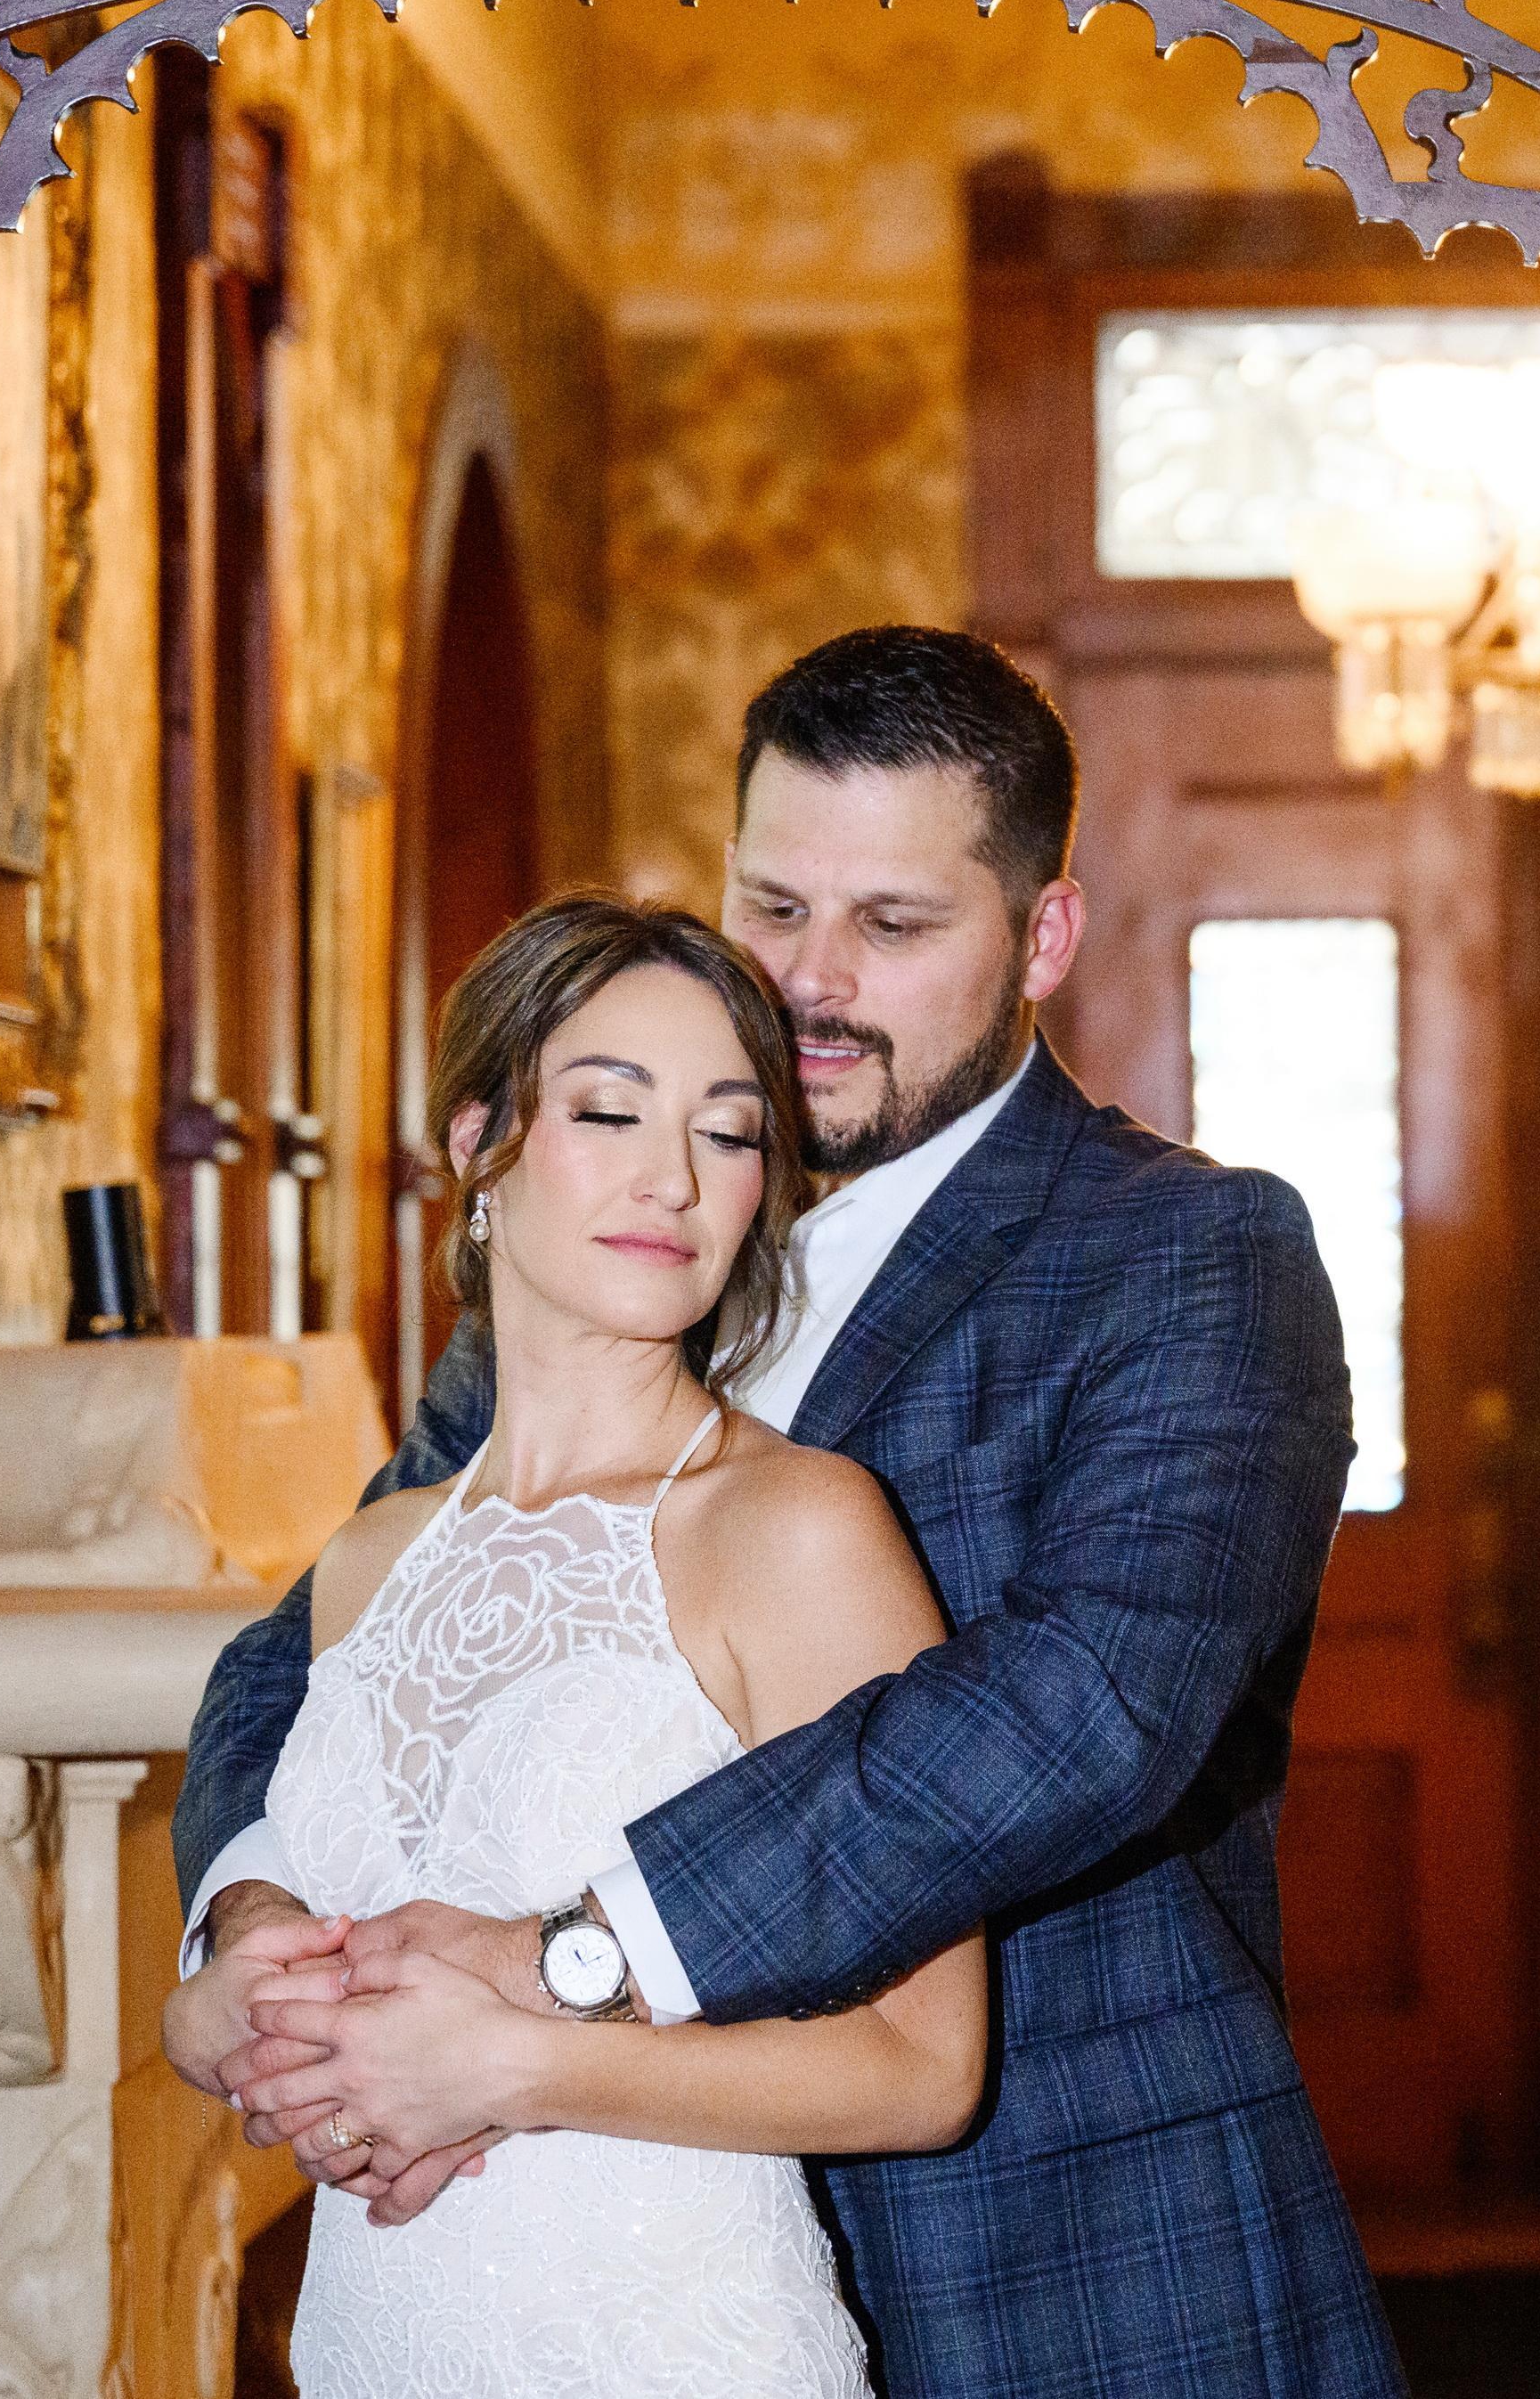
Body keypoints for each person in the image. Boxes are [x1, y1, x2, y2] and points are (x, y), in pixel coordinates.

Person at [167, 626, 1403, 2399]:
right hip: (586, 2238)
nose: (812, 982)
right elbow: (320, 1644)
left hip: (1061, 2249)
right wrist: (260, 1928)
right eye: (773, 908)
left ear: (1042, 936)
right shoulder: (597, 1244)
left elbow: (1087, 1711)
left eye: (893, 926)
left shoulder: (1192, 1255)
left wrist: (569, 1966)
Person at [165, 892, 977, 2395]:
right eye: (611, 1112)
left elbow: (923, 2068)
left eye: (729, 1133)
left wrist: (516, 2067)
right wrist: (224, 2008)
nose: (675, 1178)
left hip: (679, 2349)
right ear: (478, 1144)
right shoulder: (370, 1559)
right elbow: (324, 1955)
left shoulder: (794, 1529)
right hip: (375, 2347)